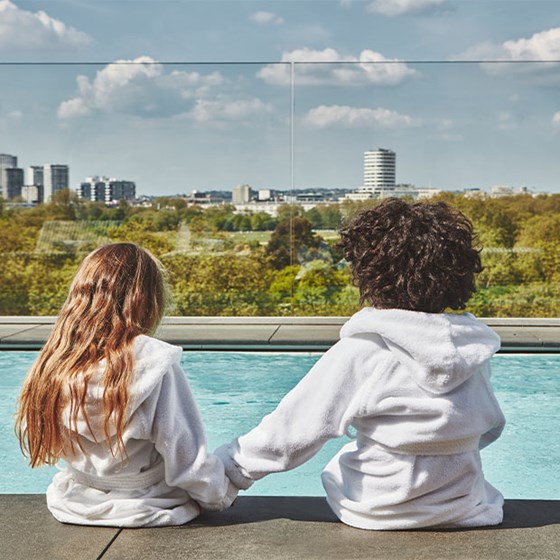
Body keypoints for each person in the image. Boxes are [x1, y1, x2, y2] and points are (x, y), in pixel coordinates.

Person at [216, 199, 506, 530]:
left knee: (342, 462)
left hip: (381, 509)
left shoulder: (364, 350)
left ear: (370, 272)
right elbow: (489, 425)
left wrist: (220, 477)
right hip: (461, 507)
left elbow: (289, 433)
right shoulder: (472, 352)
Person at [16, 243, 236, 527]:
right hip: (146, 507)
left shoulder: (54, 362)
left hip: (73, 504)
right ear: (147, 300)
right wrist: (219, 494)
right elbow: (187, 463)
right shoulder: (153, 364)